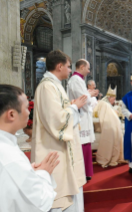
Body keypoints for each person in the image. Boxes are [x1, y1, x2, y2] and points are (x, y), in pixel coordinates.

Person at [31, 50, 87, 212]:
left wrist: (71, 106)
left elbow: (58, 113)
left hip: (60, 148)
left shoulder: (54, 85)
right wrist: (75, 107)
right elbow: (57, 121)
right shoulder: (47, 87)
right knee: (59, 198)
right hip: (53, 150)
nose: (70, 70)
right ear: (59, 66)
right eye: (69, 67)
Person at [0, 84, 59, 212]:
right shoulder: (11, 158)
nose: (29, 112)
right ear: (11, 114)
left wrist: (27, 172)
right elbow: (40, 201)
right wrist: (44, 173)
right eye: (27, 107)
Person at [67, 59, 99, 181]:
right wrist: (91, 96)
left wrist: (90, 96)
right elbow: (84, 100)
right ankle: (83, 173)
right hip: (81, 116)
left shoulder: (79, 80)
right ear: (81, 67)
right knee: (82, 144)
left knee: (85, 144)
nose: (89, 70)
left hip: (83, 116)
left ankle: (85, 172)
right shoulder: (76, 80)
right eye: (88, 68)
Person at [94, 85, 124, 168]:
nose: (114, 101)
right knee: (114, 131)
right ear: (110, 98)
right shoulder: (104, 104)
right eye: (114, 99)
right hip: (102, 125)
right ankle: (110, 155)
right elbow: (106, 116)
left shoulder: (106, 103)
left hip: (105, 123)